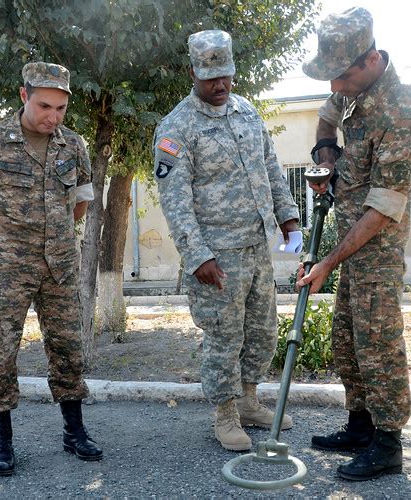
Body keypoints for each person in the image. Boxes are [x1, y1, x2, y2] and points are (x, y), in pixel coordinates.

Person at [298, 7, 411, 481]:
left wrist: (327, 262)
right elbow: (325, 117)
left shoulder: (403, 107)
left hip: (374, 244)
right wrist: (325, 154)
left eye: (341, 76)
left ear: (370, 59)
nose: (334, 86)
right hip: (350, 237)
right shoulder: (352, 90)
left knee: (378, 341)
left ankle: (388, 442)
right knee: (347, 340)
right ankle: (359, 426)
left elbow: (383, 207)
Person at [153, 30, 300, 451]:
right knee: (224, 336)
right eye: (211, 77)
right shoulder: (177, 127)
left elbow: (271, 168)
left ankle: (250, 401)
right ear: (193, 72)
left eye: (227, 76)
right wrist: (198, 256)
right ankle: (225, 415)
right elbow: (175, 201)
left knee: (263, 331)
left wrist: (289, 217)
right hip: (216, 257)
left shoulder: (246, 113)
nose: (221, 85)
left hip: (256, 249)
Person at [0, 62, 103, 476]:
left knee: (67, 349)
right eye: (45, 106)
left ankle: (74, 431)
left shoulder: (73, 145)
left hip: (60, 265)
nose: (53, 117)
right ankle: (1, 440)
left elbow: (80, 203)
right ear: (24, 96)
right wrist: (14, 237)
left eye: (61, 108)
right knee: (0, 352)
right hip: (8, 267)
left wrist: (52, 234)